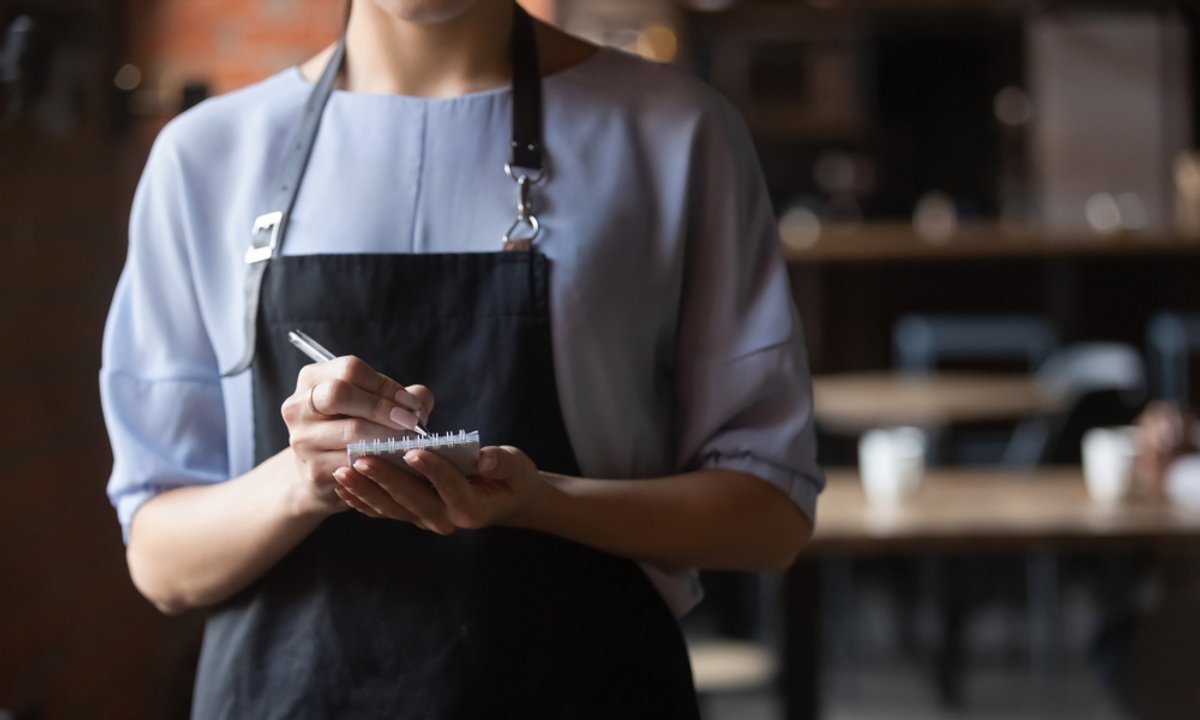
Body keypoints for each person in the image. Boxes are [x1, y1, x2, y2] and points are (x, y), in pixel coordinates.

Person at [100, 1, 823, 717]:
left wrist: (548, 502)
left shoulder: (676, 132)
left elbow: (769, 518)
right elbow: (162, 564)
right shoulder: (206, 155)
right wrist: (302, 481)